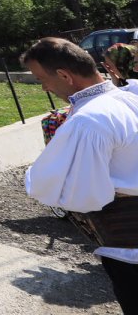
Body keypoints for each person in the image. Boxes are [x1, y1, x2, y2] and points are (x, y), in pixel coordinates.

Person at [23, 37, 138, 313]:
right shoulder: (131, 96)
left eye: (42, 79)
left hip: (130, 247)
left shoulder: (88, 120)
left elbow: (62, 190)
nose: (44, 87)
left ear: (64, 75)